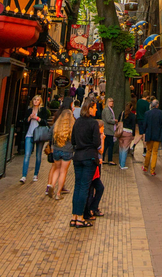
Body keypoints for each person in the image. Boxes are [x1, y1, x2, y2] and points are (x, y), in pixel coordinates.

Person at [70, 99, 102, 227]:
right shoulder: (93, 123)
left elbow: (73, 140)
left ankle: (74, 216)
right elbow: (97, 143)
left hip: (78, 157)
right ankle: (80, 218)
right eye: (94, 107)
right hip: (89, 157)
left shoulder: (77, 122)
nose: (96, 109)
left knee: (77, 186)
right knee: (84, 187)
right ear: (89, 108)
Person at [45, 109, 74, 198]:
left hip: (56, 149)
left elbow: (49, 135)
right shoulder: (73, 126)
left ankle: (52, 186)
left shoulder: (56, 125)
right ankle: (58, 193)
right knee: (63, 172)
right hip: (68, 150)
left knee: (57, 169)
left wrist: (53, 144)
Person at [20, 95, 49, 183]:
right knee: (27, 154)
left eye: (37, 100)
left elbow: (45, 122)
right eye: (34, 99)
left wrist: (37, 118)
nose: (36, 101)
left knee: (38, 155)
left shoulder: (43, 110)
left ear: (40, 102)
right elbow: (24, 122)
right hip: (29, 134)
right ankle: (24, 176)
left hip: (39, 135)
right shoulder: (29, 110)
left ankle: (36, 174)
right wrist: (29, 118)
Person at [141, 99, 162, 175]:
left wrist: (145, 132)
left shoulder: (147, 113)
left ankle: (145, 167)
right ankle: (152, 170)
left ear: (152, 105)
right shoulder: (161, 113)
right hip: (157, 135)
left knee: (149, 151)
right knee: (155, 152)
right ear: (157, 105)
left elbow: (144, 125)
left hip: (149, 134)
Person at [118, 100, 136, 169]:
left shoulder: (122, 113)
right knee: (125, 149)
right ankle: (122, 165)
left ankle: (120, 163)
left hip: (121, 132)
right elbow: (133, 126)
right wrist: (133, 135)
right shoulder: (132, 115)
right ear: (131, 108)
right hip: (128, 133)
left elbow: (119, 121)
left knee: (121, 147)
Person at [101, 97, 118, 166]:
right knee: (110, 145)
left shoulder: (108, 109)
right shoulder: (107, 110)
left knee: (106, 145)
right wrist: (114, 121)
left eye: (112, 102)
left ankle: (103, 158)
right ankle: (109, 160)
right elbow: (108, 119)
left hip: (107, 130)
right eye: (110, 102)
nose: (112, 103)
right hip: (108, 130)